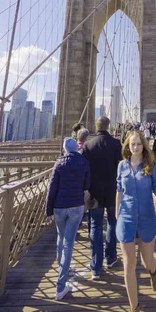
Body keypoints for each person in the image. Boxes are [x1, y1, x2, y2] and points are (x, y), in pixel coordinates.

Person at [116, 130, 156, 312]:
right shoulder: (121, 165)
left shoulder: (151, 166)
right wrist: (116, 214)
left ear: (143, 146)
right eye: (132, 144)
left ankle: (153, 271)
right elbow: (118, 188)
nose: (135, 147)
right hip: (126, 218)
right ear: (128, 145)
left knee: (146, 261)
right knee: (128, 264)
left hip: (146, 218)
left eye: (138, 144)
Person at [46, 137, 90, 301]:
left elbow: (52, 188)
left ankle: (62, 268)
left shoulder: (59, 163)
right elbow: (86, 185)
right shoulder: (84, 162)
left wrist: (48, 209)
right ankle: (61, 283)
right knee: (69, 243)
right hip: (76, 206)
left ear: (65, 149)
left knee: (61, 238)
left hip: (59, 207)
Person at [82, 116, 122, 279]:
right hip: (113, 191)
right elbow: (121, 167)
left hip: (94, 192)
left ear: (96, 126)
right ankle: (110, 257)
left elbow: (84, 170)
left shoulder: (87, 145)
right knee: (112, 221)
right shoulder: (116, 144)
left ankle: (96, 267)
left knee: (96, 226)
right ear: (108, 126)